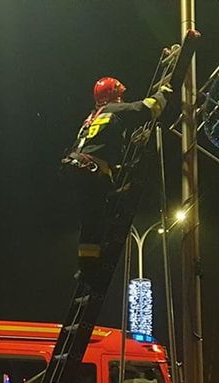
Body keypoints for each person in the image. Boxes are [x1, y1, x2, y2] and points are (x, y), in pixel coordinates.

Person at [62, 77, 170, 271]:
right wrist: (164, 91)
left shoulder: (92, 117)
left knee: (91, 222)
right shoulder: (114, 110)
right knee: (100, 218)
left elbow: (99, 146)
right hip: (91, 172)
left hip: (79, 169)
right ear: (114, 96)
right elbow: (147, 108)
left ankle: (87, 267)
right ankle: (91, 268)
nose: (123, 99)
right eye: (121, 95)